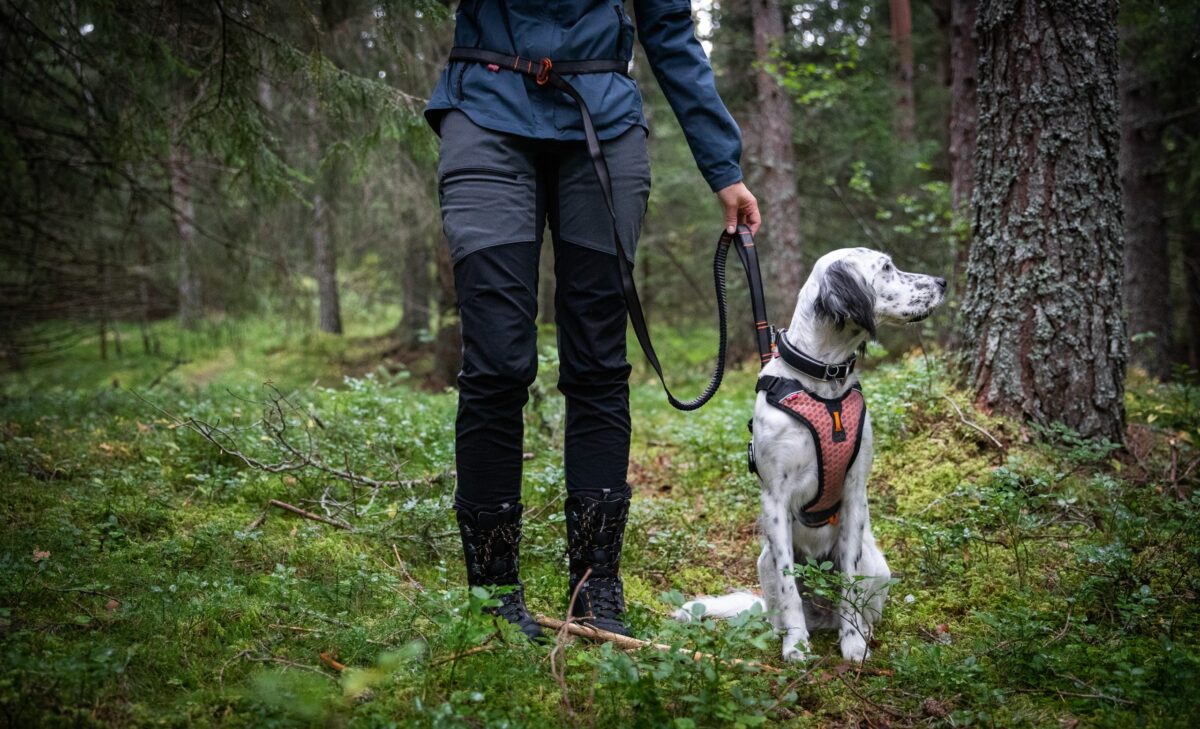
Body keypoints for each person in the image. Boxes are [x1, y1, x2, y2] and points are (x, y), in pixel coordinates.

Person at [425, 0, 760, 640]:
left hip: (602, 127)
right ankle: (493, 597)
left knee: (600, 362)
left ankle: (595, 585)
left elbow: (668, 31)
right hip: (484, 114)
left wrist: (724, 166)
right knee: (496, 362)